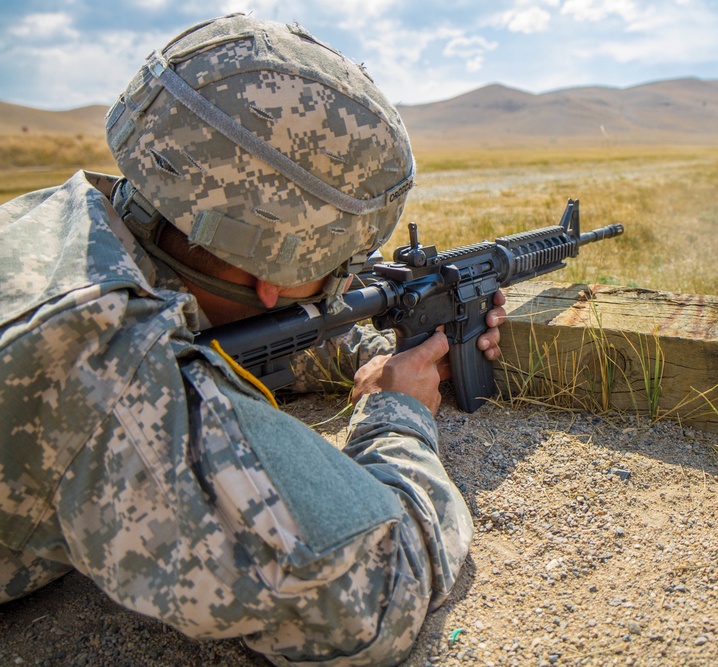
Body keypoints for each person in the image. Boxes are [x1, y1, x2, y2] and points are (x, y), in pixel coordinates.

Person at [0, 14, 506, 666]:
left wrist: (378, 353)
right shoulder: (109, 360)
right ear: (273, 270)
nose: (340, 280)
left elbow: (238, 334)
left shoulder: (63, 228)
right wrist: (398, 414)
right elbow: (379, 592)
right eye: (339, 265)